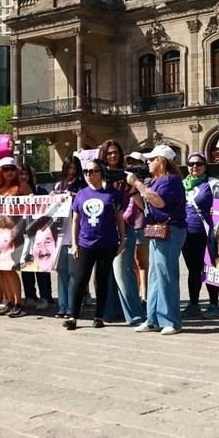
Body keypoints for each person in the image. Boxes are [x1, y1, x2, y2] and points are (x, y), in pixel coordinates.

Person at [128, 144, 187, 335]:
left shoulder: (171, 181)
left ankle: (171, 320)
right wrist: (136, 191)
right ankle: (152, 318)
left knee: (166, 275)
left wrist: (138, 184)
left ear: (162, 161)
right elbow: (144, 204)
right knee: (154, 275)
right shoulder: (155, 181)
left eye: (153, 159)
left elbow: (159, 201)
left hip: (170, 231)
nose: (149, 162)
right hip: (157, 230)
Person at [65, 159, 125, 330]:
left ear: (101, 172)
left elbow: (119, 218)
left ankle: (98, 315)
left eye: (93, 171)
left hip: (107, 243)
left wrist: (122, 239)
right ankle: (73, 316)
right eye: (86, 172)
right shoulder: (81, 194)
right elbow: (75, 220)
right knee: (80, 279)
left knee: (101, 279)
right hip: (85, 243)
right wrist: (75, 243)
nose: (90, 175)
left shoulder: (111, 194)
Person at [102, 139, 146, 324]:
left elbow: (138, 203)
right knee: (107, 272)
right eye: (109, 153)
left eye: (116, 152)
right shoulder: (96, 173)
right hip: (102, 228)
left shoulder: (127, 175)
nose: (113, 156)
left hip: (123, 227)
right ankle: (112, 311)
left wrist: (132, 188)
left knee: (123, 272)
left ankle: (135, 314)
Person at [0, 156, 32, 317]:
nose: (9, 172)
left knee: (10, 269)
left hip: (15, 234)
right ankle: (9, 300)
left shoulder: (22, 186)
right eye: (5, 169)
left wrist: (30, 198)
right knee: (1, 269)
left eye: (12, 168)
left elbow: (32, 208)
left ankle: (19, 303)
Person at [182, 152, 219, 319]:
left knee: (210, 269)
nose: (194, 167)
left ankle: (213, 304)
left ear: (205, 166)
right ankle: (194, 304)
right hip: (188, 235)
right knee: (193, 270)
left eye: (198, 163)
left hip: (208, 234)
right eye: (191, 164)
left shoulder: (213, 184)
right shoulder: (183, 185)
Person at [53, 155, 84, 318]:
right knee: (61, 271)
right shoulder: (59, 185)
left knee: (74, 272)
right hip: (59, 234)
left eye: (74, 168)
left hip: (75, 234)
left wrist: (73, 198)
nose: (72, 172)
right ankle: (62, 305)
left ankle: (73, 306)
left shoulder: (82, 187)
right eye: (69, 168)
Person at [19, 165, 53, 311]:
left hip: (40, 235)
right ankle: (30, 296)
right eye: (22, 174)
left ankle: (46, 297)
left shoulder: (41, 191)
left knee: (42, 267)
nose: (25, 177)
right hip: (23, 235)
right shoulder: (17, 192)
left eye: (28, 174)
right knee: (26, 267)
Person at [125, 152, 151, 305]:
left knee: (142, 262)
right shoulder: (126, 182)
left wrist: (135, 189)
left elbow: (145, 206)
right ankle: (135, 293)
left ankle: (145, 296)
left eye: (136, 163)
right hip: (128, 225)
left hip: (142, 225)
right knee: (132, 263)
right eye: (130, 163)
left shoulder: (146, 183)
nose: (132, 166)